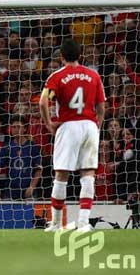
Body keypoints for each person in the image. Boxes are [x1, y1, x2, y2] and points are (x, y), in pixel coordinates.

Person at [39, 39, 106, 232]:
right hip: (90, 126)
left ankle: (57, 224)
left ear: (61, 57)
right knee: (88, 174)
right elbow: (101, 105)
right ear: (80, 55)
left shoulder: (57, 77)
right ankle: (84, 223)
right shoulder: (93, 76)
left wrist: (49, 123)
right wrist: (98, 124)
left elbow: (43, 102)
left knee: (61, 175)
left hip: (68, 126)